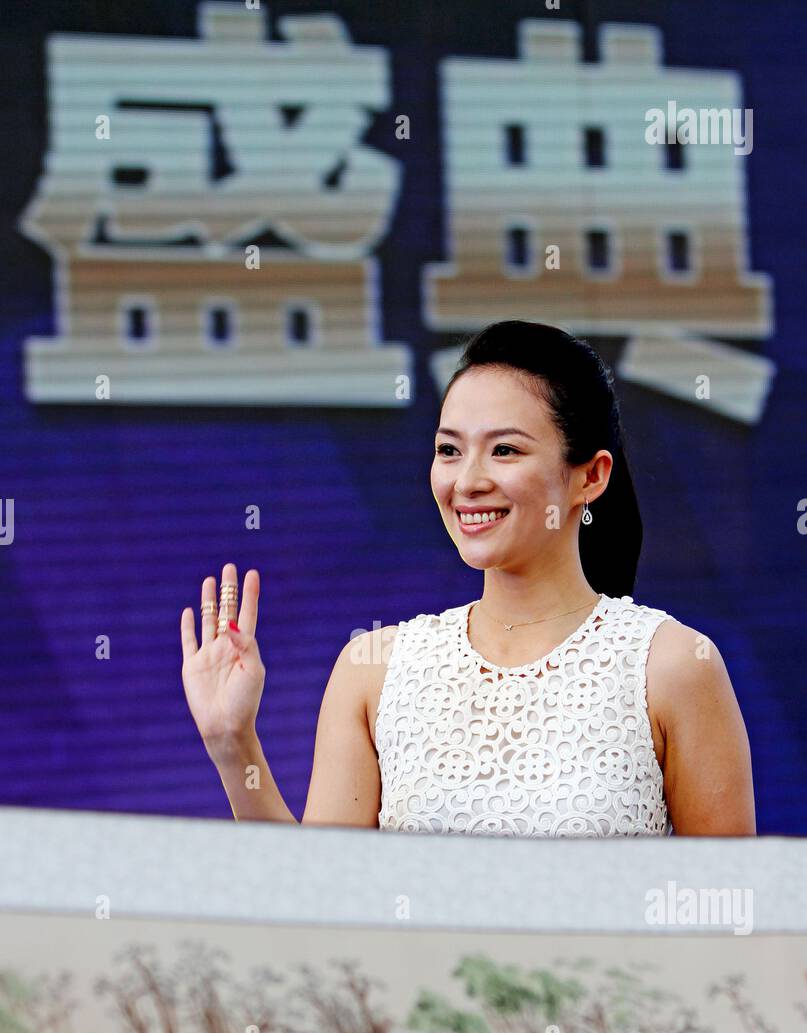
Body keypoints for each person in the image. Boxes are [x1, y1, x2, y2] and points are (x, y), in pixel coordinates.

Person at [180, 321, 755, 837]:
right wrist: (234, 744)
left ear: (590, 476)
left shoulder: (673, 666)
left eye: (504, 450)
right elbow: (323, 902)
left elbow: (731, 914)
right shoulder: (373, 669)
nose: (469, 481)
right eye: (449, 450)